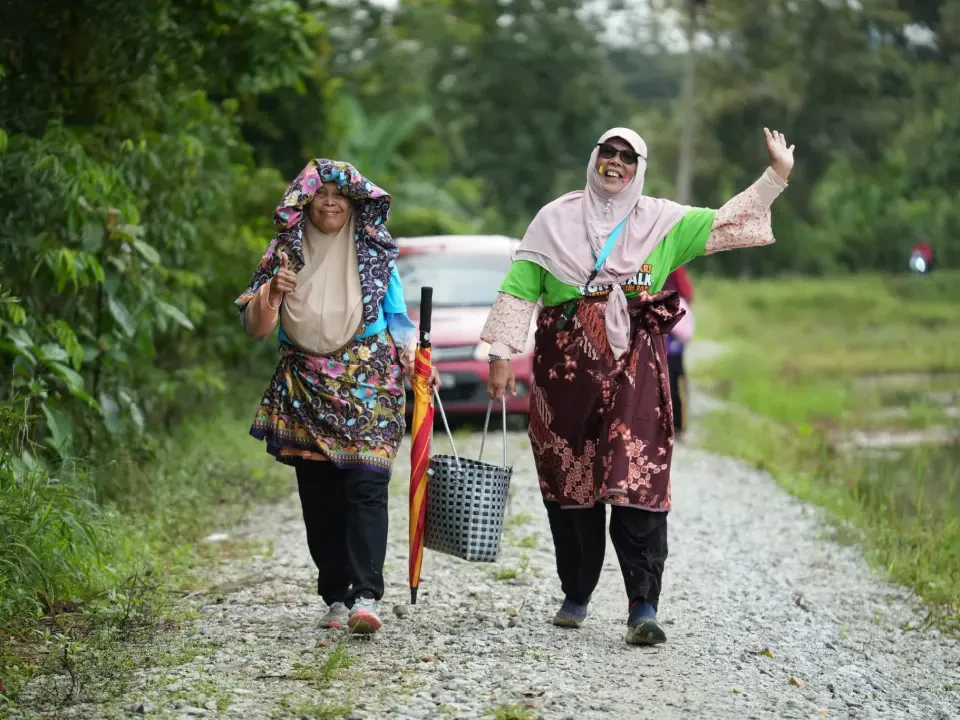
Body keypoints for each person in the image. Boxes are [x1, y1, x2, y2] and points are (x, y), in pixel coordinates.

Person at [481, 126, 794, 646]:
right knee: (570, 483)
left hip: (636, 371)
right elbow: (519, 289)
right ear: (595, 158)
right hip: (564, 374)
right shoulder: (552, 219)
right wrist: (498, 355)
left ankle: (642, 607)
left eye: (628, 157)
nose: (616, 163)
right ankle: (576, 594)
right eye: (609, 153)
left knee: (639, 481)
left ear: (639, 167)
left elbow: (727, 221)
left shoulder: (663, 222)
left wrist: (776, 176)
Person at [236, 158, 438, 635]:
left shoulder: (373, 250)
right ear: (305, 202)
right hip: (304, 385)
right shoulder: (283, 252)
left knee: (367, 484)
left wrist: (412, 356)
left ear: (355, 203)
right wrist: (272, 291)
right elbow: (255, 329)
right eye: (321, 194)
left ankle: (367, 594)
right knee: (320, 496)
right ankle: (336, 595)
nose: (330, 202)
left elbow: (399, 318)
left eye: (340, 195)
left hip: (368, 382)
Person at [663, 268, 694, 439]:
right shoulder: (675, 262)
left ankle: (676, 426)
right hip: (671, 340)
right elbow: (688, 294)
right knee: (675, 380)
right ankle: (678, 426)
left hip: (666, 339)